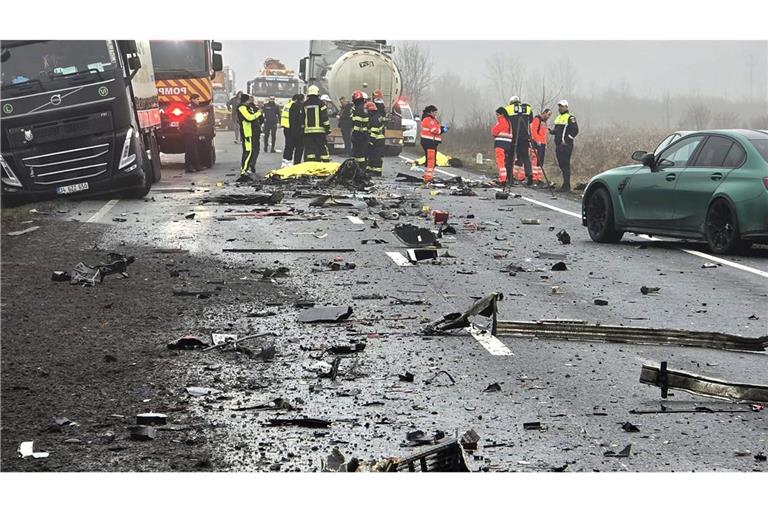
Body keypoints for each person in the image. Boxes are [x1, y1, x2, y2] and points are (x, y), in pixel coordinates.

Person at [550, 99, 579, 192]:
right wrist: (553, 132)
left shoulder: (570, 117)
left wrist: (567, 140)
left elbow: (575, 130)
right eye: (559, 106)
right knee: (561, 165)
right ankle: (564, 184)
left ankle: (567, 185)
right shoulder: (558, 117)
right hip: (558, 145)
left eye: (562, 106)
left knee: (565, 165)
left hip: (566, 146)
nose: (560, 108)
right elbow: (558, 130)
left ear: (566, 107)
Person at [505, 95, 534, 185]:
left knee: (510, 158)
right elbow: (531, 120)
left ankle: (510, 178)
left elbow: (506, 122)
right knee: (525, 157)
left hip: (513, 137)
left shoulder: (508, 109)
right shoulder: (527, 108)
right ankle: (529, 173)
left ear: (511, 102)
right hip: (524, 137)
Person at [236, 93, 263, 182]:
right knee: (248, 152)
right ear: (246, 100)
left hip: (253, 132)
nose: (249, 101)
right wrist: (258, 113)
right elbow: (249, 118)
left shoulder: (249, 107)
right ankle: (244, 170)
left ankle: (247, 169)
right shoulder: (241, 108)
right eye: (248, 100)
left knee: (252, 151)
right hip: (248, 133)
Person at [303, 85, 331, 162]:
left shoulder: (305, 104)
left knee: (310, 149)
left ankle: (311, 163)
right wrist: (328, 129)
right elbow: (325, 118)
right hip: (320, 132)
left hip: (308, 132)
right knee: (322, 148)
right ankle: (326, 163)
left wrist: (302, 129)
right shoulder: (321, 104)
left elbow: (302, 118)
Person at [420, 105, 446, 185]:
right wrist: (442, 130)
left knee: (430, 160)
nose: (436, 114)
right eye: (435, 112)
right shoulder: (429, 119)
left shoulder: (430, 119)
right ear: (431, 112)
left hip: (430, 142)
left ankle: (428, 175)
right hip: (429, 142)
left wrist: (441, 128)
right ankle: (428, 177)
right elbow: (434, 130)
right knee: (431, 160)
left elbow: (435, 127)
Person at [491, 106, 513, 186]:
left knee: (500, 162)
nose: (497, 117)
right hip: (508, 144)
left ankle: (502, 179)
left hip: (500, 144)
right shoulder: (509, 122)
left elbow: (494, 131)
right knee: (505, 162)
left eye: (497, 115)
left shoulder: (502, 121)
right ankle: (505, 178)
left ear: (502, 114)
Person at [182, 94, 201, 173]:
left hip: (190, 131)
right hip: (188, 131)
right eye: (197, 99)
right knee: (191, 150)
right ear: (192, 99)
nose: (198, 101)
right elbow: (188, 118)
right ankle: (194, 166)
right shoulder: (190, 107)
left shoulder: (193, 107)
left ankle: (191, 167)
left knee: (190, 150)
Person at [365, 101, 385, 176]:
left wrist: (371, 141)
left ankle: (377, 172)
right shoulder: (377, 116)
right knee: (372, 155)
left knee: (376, 156)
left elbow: (375, 131)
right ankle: (370, 169)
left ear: (370, 110)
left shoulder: (374, 118)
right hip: (378, 140)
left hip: (377, 140)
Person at [351, 90, 369, 168]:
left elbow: (357, 123)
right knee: (362, 153)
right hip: (364, 134)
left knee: (359, 153)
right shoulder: (363, 107)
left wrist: (354, 135)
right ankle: (360, 167)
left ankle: (360, 168)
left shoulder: (359, 109)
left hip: (359, 135)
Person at [288, 94, 305, 164]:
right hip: (300, 131)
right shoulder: (303, 106)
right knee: (299, 148)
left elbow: (290, 118)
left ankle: (288, 161)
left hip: (292, 130)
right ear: (302, 99)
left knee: (291, 148)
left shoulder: (292, 106)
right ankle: (297, 162)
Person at [281, 94, 296, 166]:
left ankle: (284, 160)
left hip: (285, 127)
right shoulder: (293, 106)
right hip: (290, 127)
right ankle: (288, 161)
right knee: (290, 146)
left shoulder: (286, 105)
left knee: (287, 145)